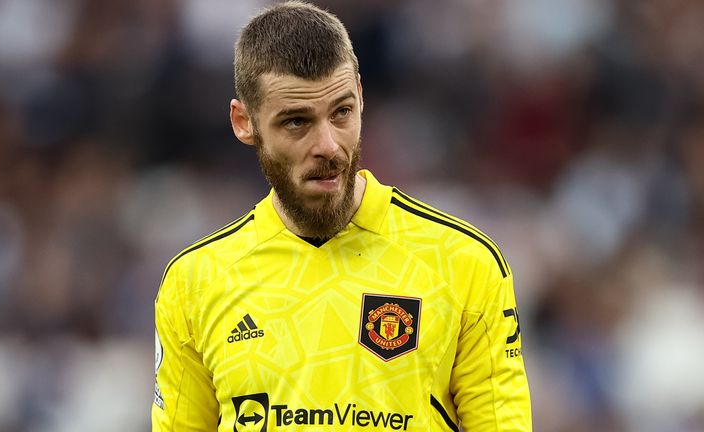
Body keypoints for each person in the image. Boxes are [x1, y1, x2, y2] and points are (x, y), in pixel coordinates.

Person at [152, 2, 531, 431]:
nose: (329, 145)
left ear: (362, 98)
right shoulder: (195, 281)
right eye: (297, 122)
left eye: (341, 112)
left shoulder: (463, 262)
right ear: (245, 122)